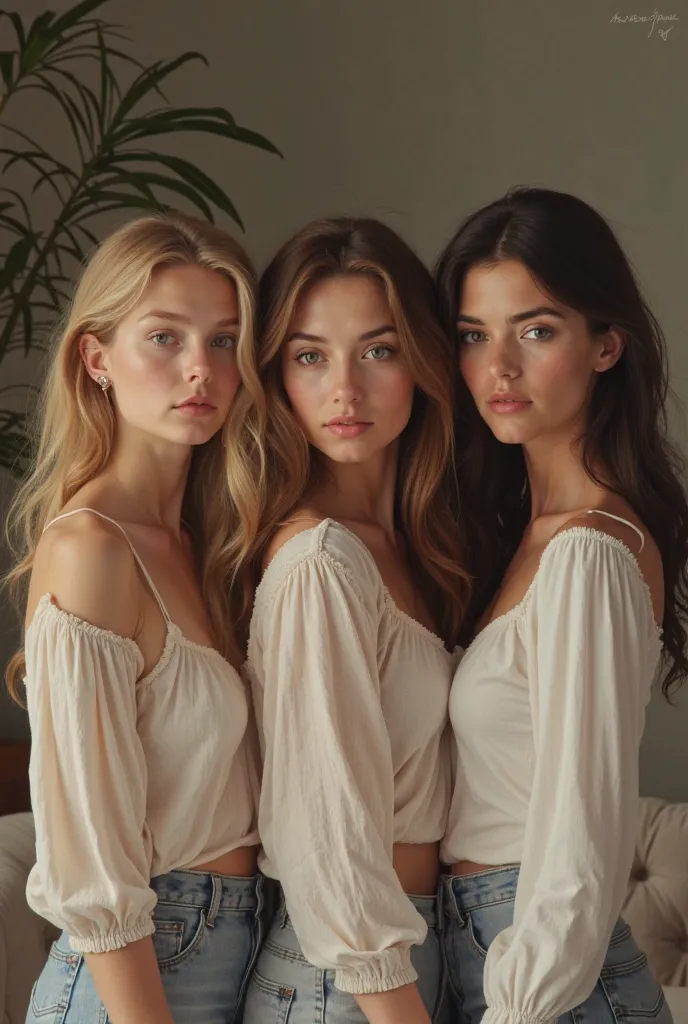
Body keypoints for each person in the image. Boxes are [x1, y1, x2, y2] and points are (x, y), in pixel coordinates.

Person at [434, 186, 687, 1024]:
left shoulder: (587, 554)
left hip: (546, 985)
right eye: (475, 335)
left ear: (606, 345)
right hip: (493, 953)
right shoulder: (524, 538)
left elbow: (582, 839)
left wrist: (519, 1005)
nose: (498, 368)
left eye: (536, 330)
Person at [5, 210, 264, 1024]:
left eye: (224, 341)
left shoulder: (210, 545)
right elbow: (89, 853)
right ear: (97, 357)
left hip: (239, 947)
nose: (201, 370)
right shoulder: (92, 549)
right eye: (165, 337)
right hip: (141, 977)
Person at [234, 217, 470, 1024]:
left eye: (378, 349)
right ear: (274, 376)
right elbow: (323, 834)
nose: (345, 389)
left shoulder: (417, 551)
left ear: (424, 361)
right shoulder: (320, 562)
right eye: (309, 356)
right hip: (353, 981)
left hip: (410, 955)